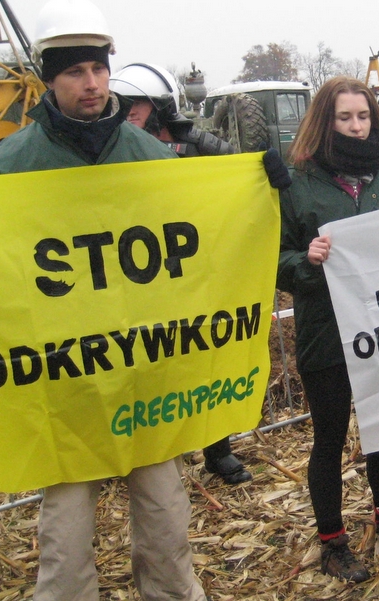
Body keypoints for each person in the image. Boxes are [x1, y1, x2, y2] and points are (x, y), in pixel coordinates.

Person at [0, 2, 208, 599]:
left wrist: (259, 183)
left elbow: (195, 231)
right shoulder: (13, 164)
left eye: (100, 70)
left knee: (165, 518)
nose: (92, 83)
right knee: (66, 531)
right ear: (51, 79)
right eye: (76, 72)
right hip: (65, 378)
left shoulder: (147, 154)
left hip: (144, 372)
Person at [109, 62, 291, 486]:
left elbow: (238, 169)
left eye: (138, 103)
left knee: (205, 361)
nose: (130, 111)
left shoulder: (190, 143)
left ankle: (217, 449)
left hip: (196, 275)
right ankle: (136, 454)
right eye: (124, 104)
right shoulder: (111, 150)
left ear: (158, 105)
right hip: (137, 278)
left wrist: (263, 167)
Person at [276, 76, 379, 583]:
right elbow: (278, 258)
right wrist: (305, 261)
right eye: (344, 117)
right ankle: (333, 542)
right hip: (326, 333)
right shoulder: (298, 182)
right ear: (325, 121)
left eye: (363, 116)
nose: (356, 127)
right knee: (329, 438)